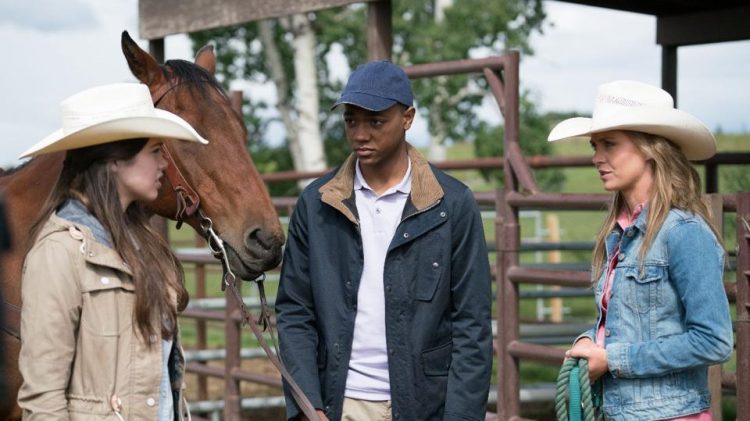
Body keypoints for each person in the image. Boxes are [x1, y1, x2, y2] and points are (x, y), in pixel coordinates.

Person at [275, 60, 493, 421]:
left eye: (375, 121)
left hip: (425, 406)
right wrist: (306, 405)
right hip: (337, 405)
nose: (360, 134)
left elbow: (472, 324)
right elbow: (295, 311)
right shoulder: (317, 204)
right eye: (351, 121)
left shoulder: (452, 205)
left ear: (407, 118)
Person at [17, 83, 208, 420]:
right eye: (154, 151)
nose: (165, 163)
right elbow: (44, 400)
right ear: (115, 159)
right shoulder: (60, 253)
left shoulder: (144, 246)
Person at [549, 80, 734, 420]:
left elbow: (714, 340)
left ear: (650, 148)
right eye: (595, 146)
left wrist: (614, 360)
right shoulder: (619, 234)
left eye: (609, 145)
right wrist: (589, 342)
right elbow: (628, 324)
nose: (596, 158)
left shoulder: (684, 233)